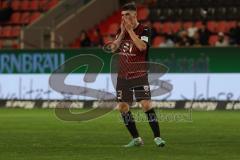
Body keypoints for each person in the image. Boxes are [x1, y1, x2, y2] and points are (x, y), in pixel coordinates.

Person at [111, 2, 165, 147]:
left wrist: (130, 31)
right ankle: (136, 139)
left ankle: (157, 137)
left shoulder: (144, 30)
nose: (124, 18)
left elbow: (142, 47)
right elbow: (113, 48)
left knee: (146, 105)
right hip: (123, 75)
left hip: (139, 74)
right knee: (122, 107)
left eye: (127, 14)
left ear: (135, 15)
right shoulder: (121, 29)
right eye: (122, 15)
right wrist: (122, 32)